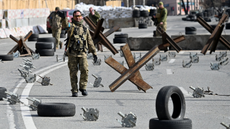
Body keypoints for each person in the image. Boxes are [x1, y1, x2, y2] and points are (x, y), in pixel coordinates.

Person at [63, 10, 98, 97]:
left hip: (82, 53)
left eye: (79, 16)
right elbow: (65, 25)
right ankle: (74, 90)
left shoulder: (85, 29)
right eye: (75, 17)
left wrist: (94, 53)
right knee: (73, 73)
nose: (78, 18)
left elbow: (90, 42)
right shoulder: (71, 27)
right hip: (72, 54)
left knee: (85, 71)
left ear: (81, 17)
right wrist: (64, 18)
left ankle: (83, 88)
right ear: (73, 18)